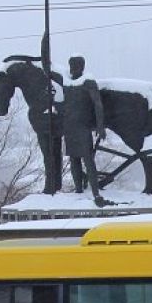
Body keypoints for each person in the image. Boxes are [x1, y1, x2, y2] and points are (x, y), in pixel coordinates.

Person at [59, 55, 108, 206]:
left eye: (76, 65)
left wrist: (100, 126)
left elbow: (97, 105)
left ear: (82, 66)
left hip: (83, 127)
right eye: (72, 65)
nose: (74, 68)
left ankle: (95, 192)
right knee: (74, 159)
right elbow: (49, 70)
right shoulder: (67, 82)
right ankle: (78, 190)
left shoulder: (88, 82)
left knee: (88, 160)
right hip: (70, 128)